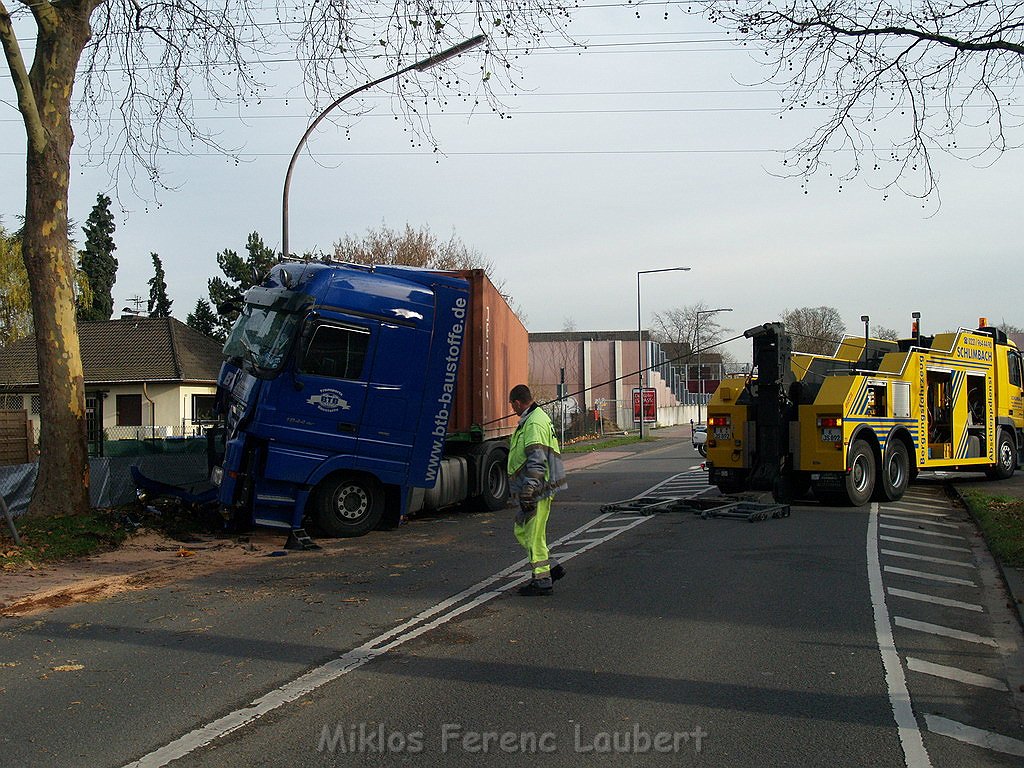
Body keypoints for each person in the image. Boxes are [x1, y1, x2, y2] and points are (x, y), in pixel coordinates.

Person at [507, 384, 568, 596]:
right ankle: (550, 568)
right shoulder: (534, 419)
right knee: (531, 533)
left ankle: (542, 580)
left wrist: (528, 491)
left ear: (517, 402)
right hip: (540, 487)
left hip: (536, 488)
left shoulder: (533, 424)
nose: (512, 409)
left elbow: (537, 460)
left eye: (512, 405)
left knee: (529, 534)